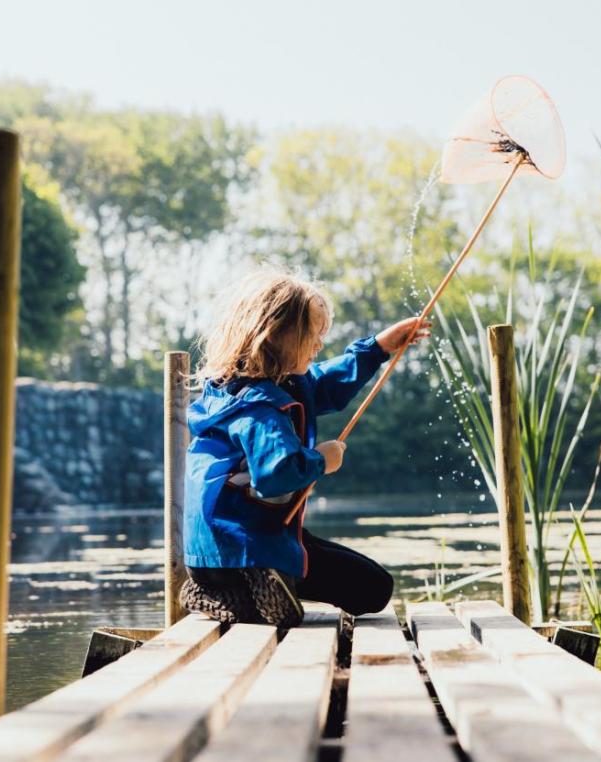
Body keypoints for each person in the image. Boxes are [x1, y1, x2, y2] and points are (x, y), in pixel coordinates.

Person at [180, 269, 431, 627]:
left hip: (210, 554)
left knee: (368, 579)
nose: (319, 344)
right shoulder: (260, 408)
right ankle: (249, 591)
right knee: (374, 589)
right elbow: (277, 474)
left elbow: (325, 383)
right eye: (312, 334)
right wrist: (320, 461)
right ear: (278, 335)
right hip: (246, 548)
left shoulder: (236, 390)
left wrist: (378, 348)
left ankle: (240, 589)